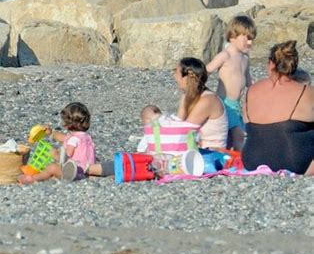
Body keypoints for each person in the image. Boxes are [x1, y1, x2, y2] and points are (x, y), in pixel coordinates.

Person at [88, 57, 228, 177]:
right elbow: (180, 125)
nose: (174, 75)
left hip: (209, 154)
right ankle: (86, 168)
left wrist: (156, 121)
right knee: (144, 160)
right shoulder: (193, 96)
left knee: (145, 162)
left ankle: (85, 169)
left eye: (176, 71)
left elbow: (183, 129)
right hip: (190, 149)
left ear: (186, 77)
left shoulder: (208, 100)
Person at [242, 40, 314, 175]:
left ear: (270, 64)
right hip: (294, 161)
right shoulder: (307, 92)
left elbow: (246, 119)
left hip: (252, 160)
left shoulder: (252, 90)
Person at [206, 15, 257, 150]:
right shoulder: (225, 55)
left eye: (251, 38)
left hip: (236, 105)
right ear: (233, 36)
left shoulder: (245, 58)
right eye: (246, 38)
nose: (250, 42)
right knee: (238, 134)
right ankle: (242, 159)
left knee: (229, 136)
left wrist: (256, 90)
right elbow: (207, 70)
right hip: (224, 102)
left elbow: (248, 79)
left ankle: (228, 157)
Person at [18, 102, 96, 184]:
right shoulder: (85, 137)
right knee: (53, 171)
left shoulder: (73, 140)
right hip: (88, 171)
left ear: (68, 123)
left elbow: (66, 158)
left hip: (76, 173)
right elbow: (64, 138)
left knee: (52, 168)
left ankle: (32, 178)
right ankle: (49, 177)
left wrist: (56, 155)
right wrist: (51, 133)